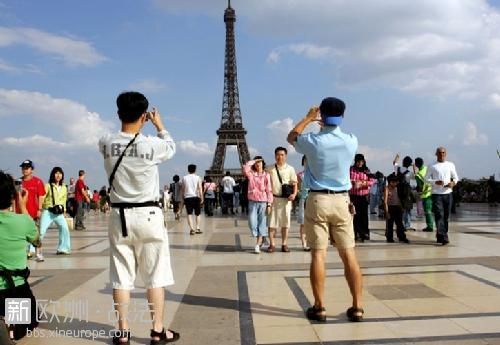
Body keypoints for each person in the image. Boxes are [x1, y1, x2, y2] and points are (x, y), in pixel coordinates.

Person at [98, 91, 179, 344]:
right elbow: (171, 147)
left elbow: (112, 142)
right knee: (155, 275)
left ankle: (122, 331)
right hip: (149, 215)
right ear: (144, 116)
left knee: (121, 276)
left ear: (118, 113)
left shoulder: (105, 142)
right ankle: (157, 329)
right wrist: (159, 125)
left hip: (119, 215)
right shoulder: (152, 145)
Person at [287, 97, 364, 323]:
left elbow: (291, 137)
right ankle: (357, 306)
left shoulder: (311, 141)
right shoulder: (351, 141)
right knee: (348, 254)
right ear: (343, 115)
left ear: (321, 114)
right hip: (342, 201)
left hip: (318, 199)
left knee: (318, 254)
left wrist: (309, 118)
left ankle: (319, 307)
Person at [0, 170, 41, 341]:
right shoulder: (23, 222)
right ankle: (13, 326)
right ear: (12, 197)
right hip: (16, 289)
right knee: (30, 322)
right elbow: (37, 242)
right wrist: (22, 205)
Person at [35, 167, 71, 261]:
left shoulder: (64, 187)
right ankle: (31, 249)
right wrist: (39, 209)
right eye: (56, 173)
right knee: (41, 231)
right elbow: (42, 197)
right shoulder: (47, 185)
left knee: (64, 229)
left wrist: (64, 211)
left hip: (58, 212)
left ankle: (63, 248)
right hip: (48, 211)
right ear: (53, 175)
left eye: (60, 173)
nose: (58, 175)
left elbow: (64, 200)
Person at [267, 147, 298, 253]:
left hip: (286, 200)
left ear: (286, 156)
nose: (280, 157)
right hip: (273, 199)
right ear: (275, 156)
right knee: (271, 223)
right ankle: (272, 244)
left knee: (285, 223)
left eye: (282, 155)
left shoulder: (290, 169)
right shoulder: (269, 168)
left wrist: (294, 194)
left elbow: (294, 183)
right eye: (278, 155)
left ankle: (284, 244)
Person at [427, 147, 459, 245]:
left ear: (446, 154)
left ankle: (440, 235)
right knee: (439, 215)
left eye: (443, 152)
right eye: (440, 153)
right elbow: (426, 179)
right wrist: (435, 181)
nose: (442, 154)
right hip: (437, 194)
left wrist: (453, 183)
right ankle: (444, 236)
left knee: (446, 217)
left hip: (448, 194)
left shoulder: (450, 165)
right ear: (436, 154)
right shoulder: (432, 165)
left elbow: (456, 178)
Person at [242, 156, 273, 254]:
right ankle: (262, 236)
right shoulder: (251, 174)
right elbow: (245, 168)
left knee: (262, 223)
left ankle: (257, 244)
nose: (258, 164)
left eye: (260, 162)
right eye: (257, 162)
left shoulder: (267, 175)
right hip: (252, 201)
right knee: (252, 222)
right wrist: (253, 161)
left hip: (263, 202)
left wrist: (269, 204)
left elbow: (269, 190)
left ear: (263, 163)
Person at [349, 154, 375, 242]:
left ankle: (364, 233)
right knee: (355, 215)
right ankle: (355, 233)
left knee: (364, 215)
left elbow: (372, 181)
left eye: (361, 161)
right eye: (358, 161)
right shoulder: (351, 170)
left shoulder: (366, 170)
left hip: (364, 196)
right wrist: (352, 182)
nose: (360, 163)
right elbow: (345, 179)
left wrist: (362, 183)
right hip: (353, 196)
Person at [384, 173, 410, 243]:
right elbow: (385, 202)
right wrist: (386, 212)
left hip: (398, 207)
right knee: (390, 224)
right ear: (389, 182)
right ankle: (389, 237)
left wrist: (402, 208)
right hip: (390, 208)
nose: (395, 183)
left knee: (399, 224)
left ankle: (402, 237)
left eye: (396, 182)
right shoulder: (386, 189)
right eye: (393, 182)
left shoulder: (398, 188)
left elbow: (402, 198)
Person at [393, 155, 415, 230]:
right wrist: (414, 167)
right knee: (407, 208)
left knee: (400, 208)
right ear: (409, 164)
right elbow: (415, 177)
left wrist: (397, 156)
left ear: (403, 162)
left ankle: (400, 224)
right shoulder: (409, 173)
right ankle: (407, 225)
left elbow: (394, 162)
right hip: (407, 192)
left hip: (398, 190)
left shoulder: (398, 168)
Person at [181, 164, 204, 235]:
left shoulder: (184, 178)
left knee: (189, 214)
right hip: (196, 197)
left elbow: (183, 189)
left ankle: (191, 229)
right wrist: (202, 197)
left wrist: (183, 197)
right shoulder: (198, 177)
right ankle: (197, 228)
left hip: (187, 197)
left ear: (188, 170)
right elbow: (200, 188)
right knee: (198, 214)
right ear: (195, 170)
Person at [414, 158, 434, 232]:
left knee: (427, 211)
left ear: (416, 164)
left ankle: (430, 226)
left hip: (426, 194)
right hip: (433, 191)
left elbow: (420, 186)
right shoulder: (427, 168)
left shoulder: (418, 175)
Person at [297, 155, 311, 251]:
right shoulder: (300, 175)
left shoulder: (316, 174)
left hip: (314, 199)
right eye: (306, 161)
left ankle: (311, 241)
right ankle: (304, 243)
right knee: (303, 222)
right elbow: (297, 188)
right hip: (304, 199)